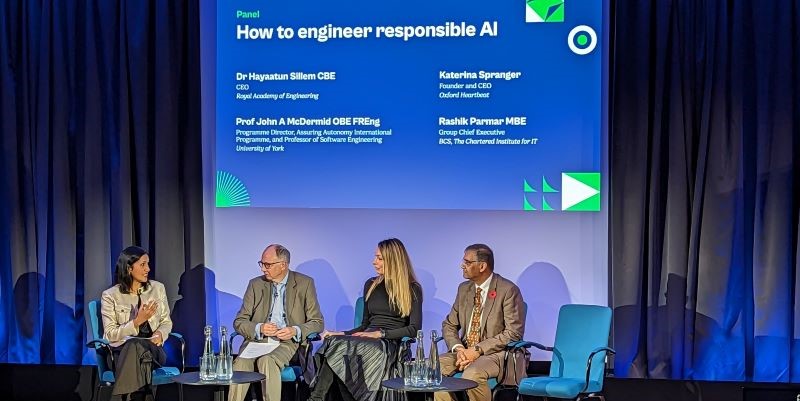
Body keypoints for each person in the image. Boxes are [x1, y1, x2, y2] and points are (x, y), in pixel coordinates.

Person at [308, 238, 423, 401]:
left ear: (393, 260)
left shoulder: (412, 288)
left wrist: (380, 334)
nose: (374, 262)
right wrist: (341, 333)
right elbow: (364, 325)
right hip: (366, 338)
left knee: (340, 347)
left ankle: (316, 399)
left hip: (388, 343)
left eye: (379, 258)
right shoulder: (371, 284)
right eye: (375, 257)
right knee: (333, 341)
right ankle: (317, 398)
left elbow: (414, 329)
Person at [229, 244, 324, 401]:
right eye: (261, 264)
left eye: (267, 265)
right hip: (257, 342)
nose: (263, 269)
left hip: (287, 343)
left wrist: (295, 330)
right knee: (240, 363)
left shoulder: (305, 283)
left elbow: (317, 322)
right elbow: (239, 321)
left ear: (283, 265)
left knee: (267, 360)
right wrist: (259, 328)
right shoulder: (255, 284)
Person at [434, 244, 526, 401]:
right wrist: (459, 349)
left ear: (482, 266)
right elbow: (449, 325)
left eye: (467, 262)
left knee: (473, 374)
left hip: (497, 354)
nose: (462, 265)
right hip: (464, 351)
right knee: (433, 368)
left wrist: (477, 350)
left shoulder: (508, 290)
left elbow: (513, 333)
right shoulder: (464, 289)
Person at [100, 246, 172, 401]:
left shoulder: (158, 289)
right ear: (129, 268)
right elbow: (110, 335)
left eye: (148, 264)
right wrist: (137, 321)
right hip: (121, 354)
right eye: (143, 264)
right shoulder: (110, 296)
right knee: (135, 348)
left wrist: (161, 333)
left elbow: (166, 322)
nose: (148, 269)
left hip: (154, 351)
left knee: (138, 348)